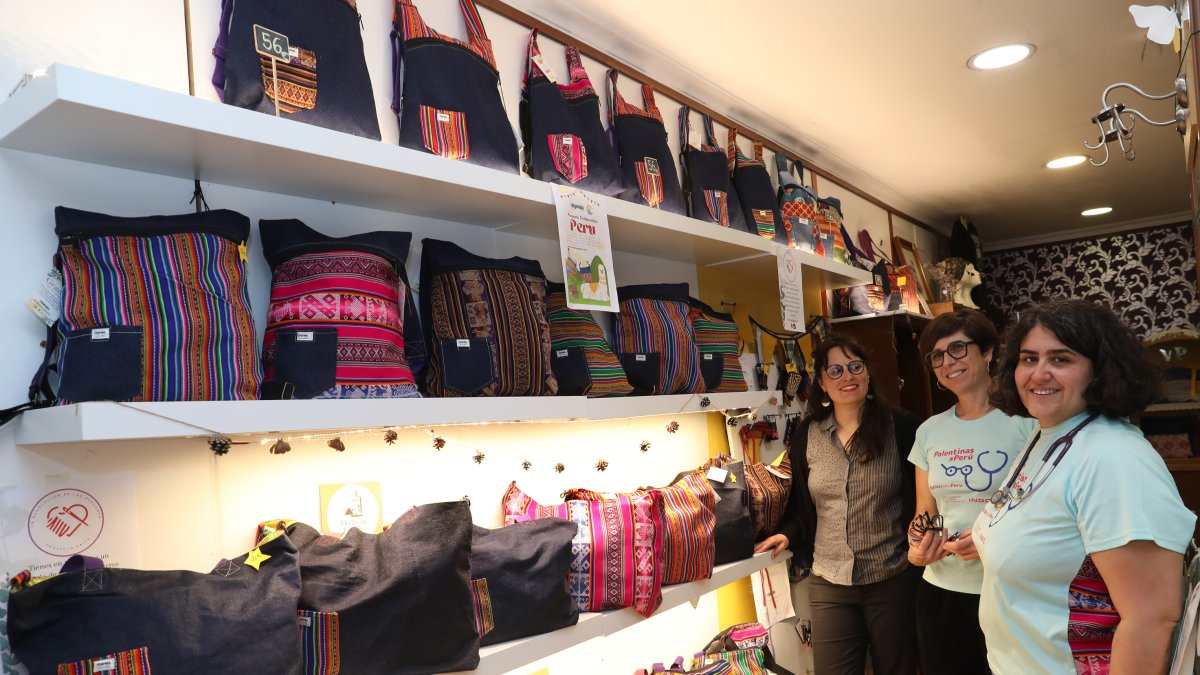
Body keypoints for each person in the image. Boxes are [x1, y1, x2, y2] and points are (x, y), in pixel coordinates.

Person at [973, 299, 1196, 675]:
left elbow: (1150, 620)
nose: (1039, 374)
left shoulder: (1115, 458)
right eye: (1029, 359)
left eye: (1060, 359)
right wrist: (995, 537)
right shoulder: (1048, 433)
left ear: (1100, 370)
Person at [756, 334, 922, 675]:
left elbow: (923, 499)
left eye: (854, 367)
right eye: (835, 370)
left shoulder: (901, 428)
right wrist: (787, 534)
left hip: (891, 578)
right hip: (829, 581)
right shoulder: (808, 433)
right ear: (821, 382)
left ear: (867, 373)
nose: (847, 376)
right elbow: (803, 505)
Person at [907, 308, 1036, 675]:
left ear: (989, 351)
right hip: (941, 593)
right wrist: (916, 548)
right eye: (937, 356)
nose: (947, 362)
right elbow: (925, 512)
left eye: (958, 349)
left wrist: (990, 541)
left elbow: (1044, 511)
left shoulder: (1027, 423)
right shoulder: (929, 432)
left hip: (1009, 589)